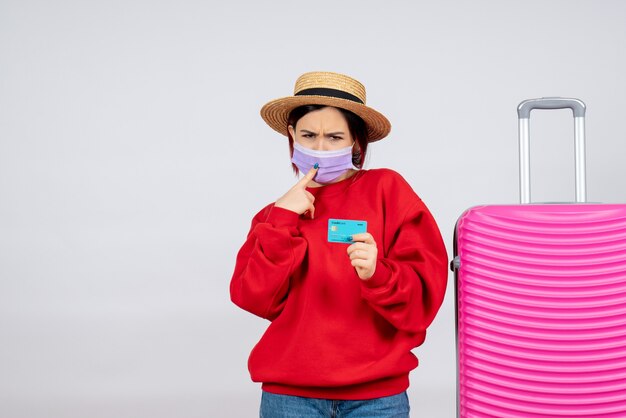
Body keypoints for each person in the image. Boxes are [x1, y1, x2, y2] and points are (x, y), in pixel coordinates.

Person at [230, 71, 448, 418]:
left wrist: (379, 273)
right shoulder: (275, 214)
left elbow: (424, 299)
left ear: (357, 142)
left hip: (377, 398)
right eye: (308, 135)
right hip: (290, 397)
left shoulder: (387, 190)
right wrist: (283, 219)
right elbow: (253, 298)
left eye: (334, 137)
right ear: (291, 134)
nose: (319, 148)